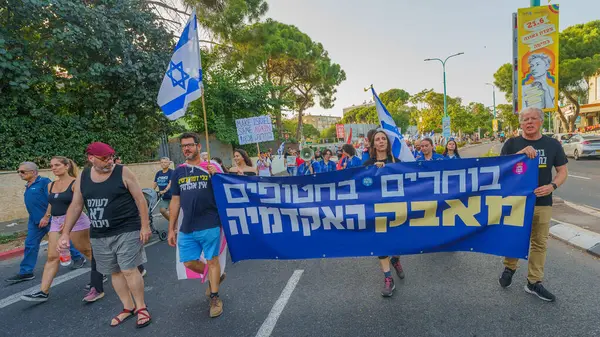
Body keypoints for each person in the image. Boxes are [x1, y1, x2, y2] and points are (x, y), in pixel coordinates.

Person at [58, 142, 153, 328]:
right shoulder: (83, 177)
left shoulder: (123, 172)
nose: (110, 161)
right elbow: (76, 205)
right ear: (91, 158)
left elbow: (140, 199)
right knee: (114, 272)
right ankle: (128, 307)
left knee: (128, 269)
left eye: (111, 156)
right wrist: (65, 233)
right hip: (99, 233)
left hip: (127, 228)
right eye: (104, 158)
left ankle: (141, 308)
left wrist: (145, 225)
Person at [498, 107, 568, 302]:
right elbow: (500, 170)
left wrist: (552, 186)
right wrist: (520, 154)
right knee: (514, 236)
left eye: (533, 119)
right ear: (520, 123)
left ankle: (534, 282)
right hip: (516, 201)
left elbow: (562, 171)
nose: (529, 122)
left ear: (541, 122)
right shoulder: (512, 144)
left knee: (539, 242)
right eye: (525, 119)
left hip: (542, 202)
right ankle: (510, 267)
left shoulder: (552, 144)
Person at [20, 157, 97, 302]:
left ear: (67, 166)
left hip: (76, 221)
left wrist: (69, 222)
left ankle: (101, 272)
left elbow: (79, 205)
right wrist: (46, 216)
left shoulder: (75, 183)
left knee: (86, 250)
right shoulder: (51, 185)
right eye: (51, 166)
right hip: (56, 221)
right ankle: (43, 292)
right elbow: (51, 203)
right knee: (52, 257)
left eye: (57, 165)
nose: (53, 168)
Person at [167, 132, 225, 318]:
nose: (186, 149)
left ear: (199, 146)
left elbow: (227, 189)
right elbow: (175, 201)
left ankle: (214, 297)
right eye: (183, 146)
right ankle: (214, 276)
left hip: (209, 222)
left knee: (212, 259)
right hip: (187, 226)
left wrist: (216, 176)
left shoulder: (211, 167)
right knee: (189, 261)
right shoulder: (179, 171)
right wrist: (171, 228)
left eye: (190, 145)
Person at [5, 162, 86, 284]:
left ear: (33, 172)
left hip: (49, 220)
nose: (19, 174)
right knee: (30, 244)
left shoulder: (44, 182)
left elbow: (52, 200)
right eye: (18, 171)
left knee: (63, 241)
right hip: (34, 221)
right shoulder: (28, 185)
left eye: (22, 172)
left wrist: (47, 216)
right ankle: (26, 271)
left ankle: (78, 256)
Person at [363, 130, 406, 297]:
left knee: (399, 241)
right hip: (377, 211)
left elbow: (407, 185)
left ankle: (396, 259)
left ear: (387, 143)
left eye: (383, 139)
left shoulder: (397, 162)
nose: (381, 141)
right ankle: (388, 279)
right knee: (381, 244)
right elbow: (362, 186)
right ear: (373, 144)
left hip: (397, 209)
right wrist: (373, 173)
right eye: (377, 139)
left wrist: (389, 169)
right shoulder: (367, 165)